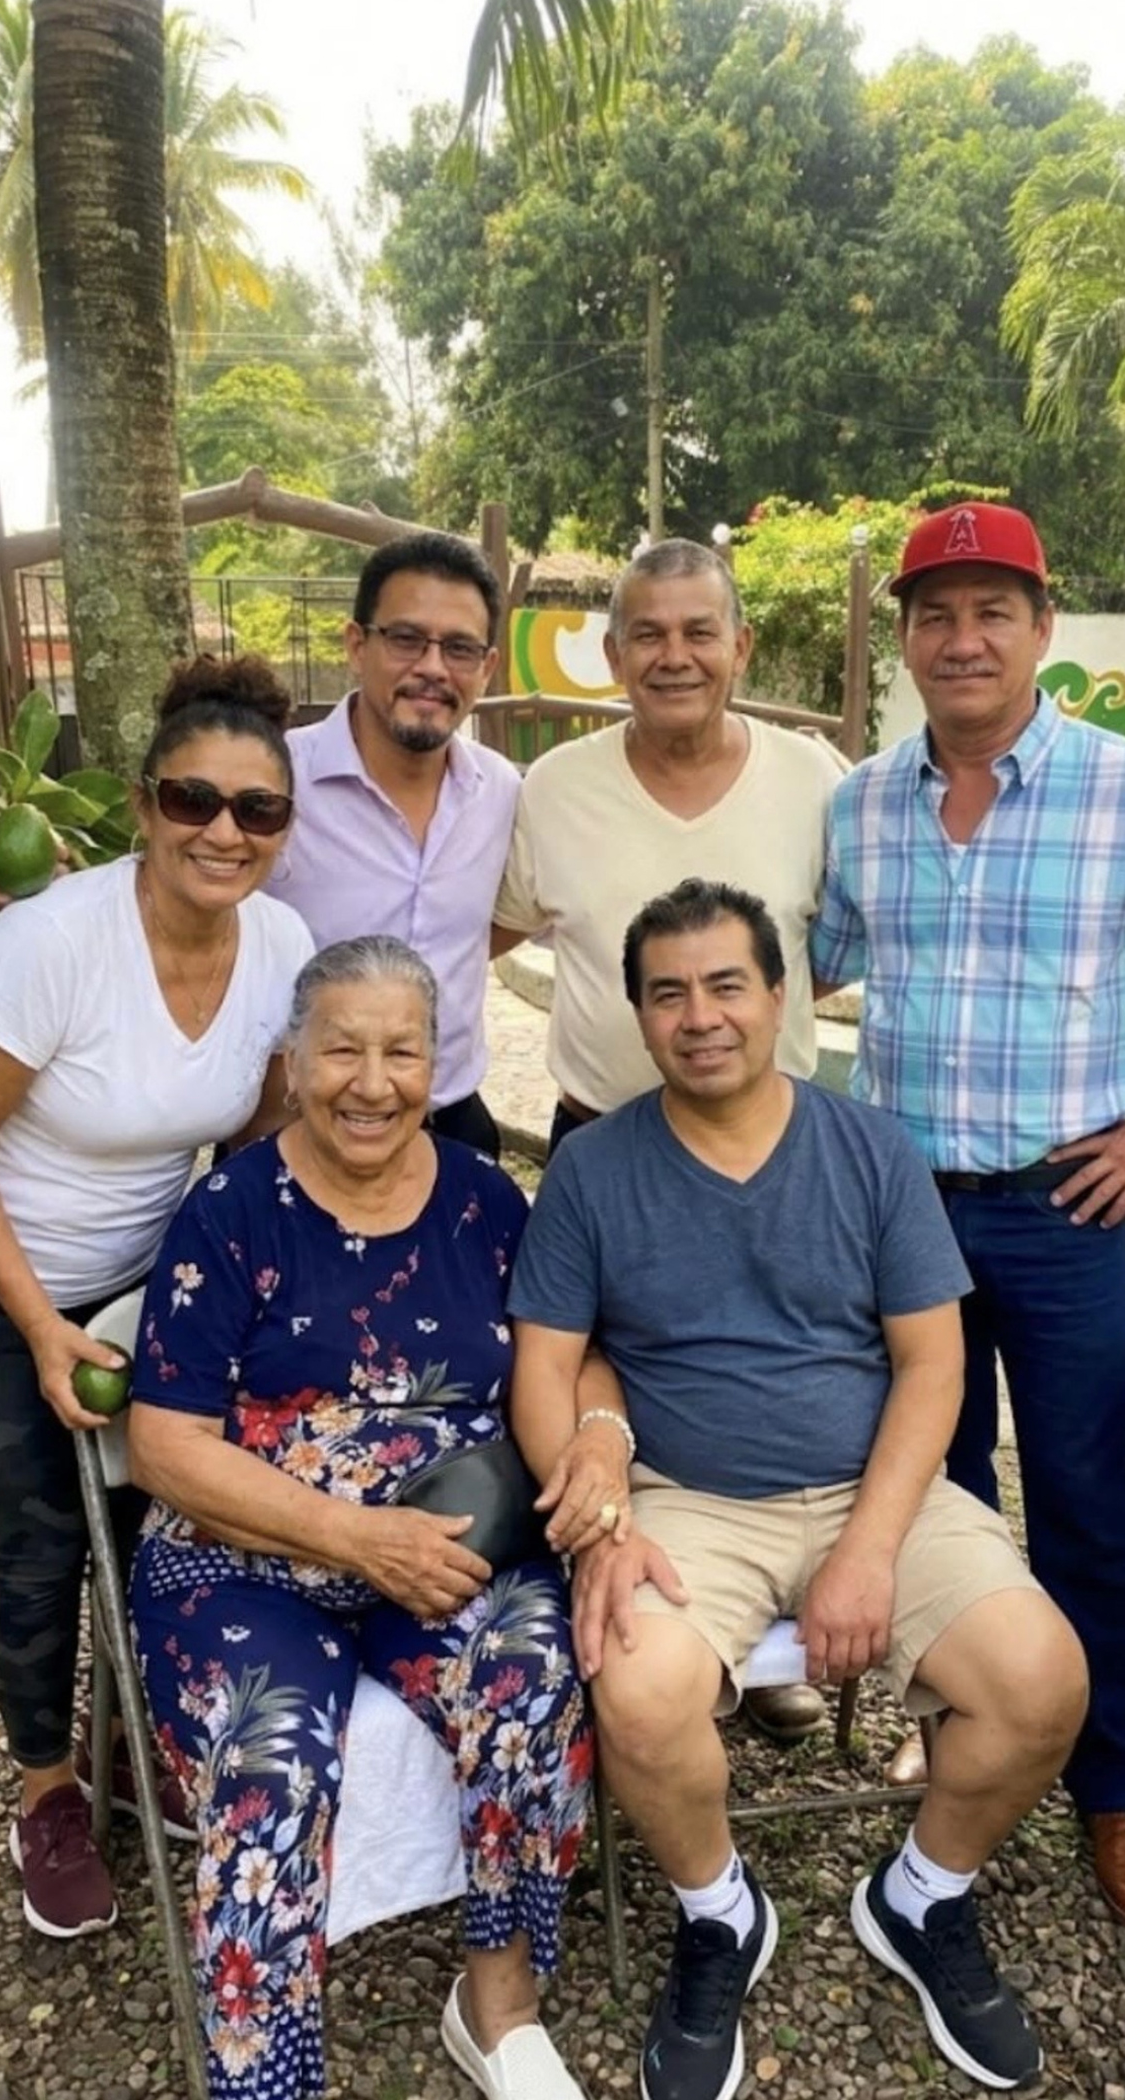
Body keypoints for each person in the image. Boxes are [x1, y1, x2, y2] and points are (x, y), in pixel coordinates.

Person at [809, 501, 1125, 1932]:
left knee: (1087, 1499)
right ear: (906, 641)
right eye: (934, 614)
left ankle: (1115, 1781)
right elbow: (814, 962)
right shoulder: (861, 804)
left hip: (1064, 1206)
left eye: (993, 611)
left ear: (1041, 629)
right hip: (902, 1210)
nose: (962, 638)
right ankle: (961, 1717)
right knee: (933, 1483)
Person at [511, 878, 1087, 2099]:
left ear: (782, 997)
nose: (700, 1016)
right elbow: (546, 1370)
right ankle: (720, 1912)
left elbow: (933, 1367)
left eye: (728, 985)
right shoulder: (594, 1170)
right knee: (638, 1688)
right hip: (686, 1497)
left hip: (876, 1485)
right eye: (669, 994)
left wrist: (869, 1551)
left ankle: (922, 1895)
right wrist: (596, 1530)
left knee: (1042, 1682)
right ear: (639, 1016)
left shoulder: (870, 1148)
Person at [0, 656, 314, 1939]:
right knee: (42, 1542)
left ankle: (123, 1744)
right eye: (193, 800)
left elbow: (253, 1132)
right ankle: (47, 1795)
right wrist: (36, 1324)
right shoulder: (46, 946)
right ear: (141, 805)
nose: (223, 831)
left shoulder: (280, 946)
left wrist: (233, 1288)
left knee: (152, 1524)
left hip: (136, 1276)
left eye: (257, 809)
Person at [126, 937, 594, 2100]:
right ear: (293, 1062)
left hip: (448, 1548)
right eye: (342, 1050)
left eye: (402, 1052)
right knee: (271, 1755)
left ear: (437, 1064)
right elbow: (165, 1446)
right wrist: (352, 1537)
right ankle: (265, 2078)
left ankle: (499, 2009)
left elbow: (568, 1360)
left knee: (532, 1672)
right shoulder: (230, 1213)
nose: (372, 1082)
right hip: (243, 1560)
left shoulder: (488, 1201)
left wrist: (599, 1440)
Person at [492, 535, 846, 1747]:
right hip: (603, 1142)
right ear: (611, 653)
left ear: (742, 645)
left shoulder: (813, 780)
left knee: (764, 1373)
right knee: (599, 1376)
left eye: (701, 631)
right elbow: (479, 930)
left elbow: (833, 951)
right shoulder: (554, 791)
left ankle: (759, 1622)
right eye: (647, 633)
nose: (675, 655)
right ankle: (632, 1599)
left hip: (772, 1149)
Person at [267, 532, 520, 1157]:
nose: (433, 667)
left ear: (487, 667)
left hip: (451, 1121)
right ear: (357, 645)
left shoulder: (501, 792)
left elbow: (513, 918)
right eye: (406, 639)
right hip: (299, 1123)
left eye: (459, 648)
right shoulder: (276, 785)